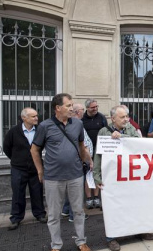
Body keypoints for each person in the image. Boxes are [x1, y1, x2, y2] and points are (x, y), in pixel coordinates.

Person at [30, 93, 93, 251]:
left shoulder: (78, 124)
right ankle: (56, 245)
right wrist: (40, 170)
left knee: (78, 210)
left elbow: (81, 145)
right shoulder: (45, 126)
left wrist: (89, 161)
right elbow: (34, 150)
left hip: (75, 175)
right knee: (54, 214)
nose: (72, 108)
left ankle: (81, 241)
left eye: (72, 105)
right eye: (68, 106)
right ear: (58, 108)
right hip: (53, 177)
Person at [93, 105, 153, 251]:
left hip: (131, 175)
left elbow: (139, 143)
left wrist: (122, 137)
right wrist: (97, 176)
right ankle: (112, 237)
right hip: (113, 177)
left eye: (127, 116)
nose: (126, 119)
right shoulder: (104, 131)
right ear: (113, 118)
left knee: (136, 204)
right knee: (113, 207)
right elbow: (98, 155)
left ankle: (140, 230)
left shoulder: (130, 129)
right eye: (122, 117)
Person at [3, 107, 47, 231]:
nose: (37, 118)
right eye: (33, 116)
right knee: (17, 193)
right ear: (24, 118)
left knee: (37, 191)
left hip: (35, 167)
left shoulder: (40, 130)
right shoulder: (14, 131)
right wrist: (17, 159)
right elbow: (7, 148)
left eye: (36, 115)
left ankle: (40, 214)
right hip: (18, 168)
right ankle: (16, 218)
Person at [62, 103, 94, 221]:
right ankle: (74, 215)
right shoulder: (76, 125)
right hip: (79, 161)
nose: (83, 111)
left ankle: (66, 210)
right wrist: (89, 160)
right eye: (82, 110)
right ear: (77, 112)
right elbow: (83, 146)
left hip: (75, 161)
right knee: (76, 189)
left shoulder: (73, 124)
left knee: (71, 186)